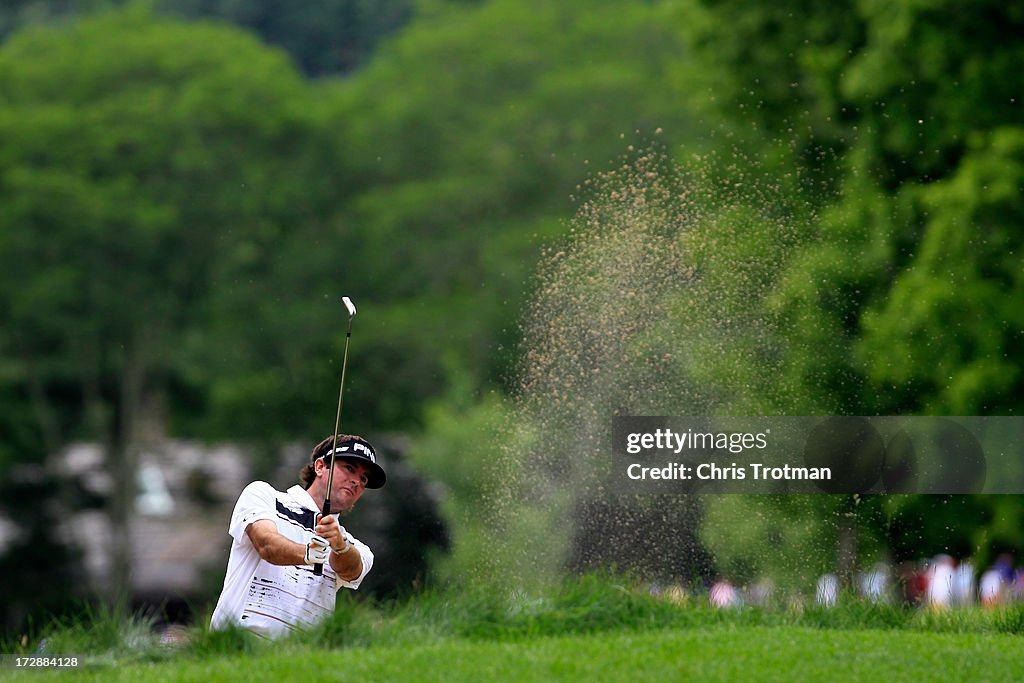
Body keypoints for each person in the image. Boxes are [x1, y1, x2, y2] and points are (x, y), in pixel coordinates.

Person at [210, 434, 386, 637]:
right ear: (320, 467)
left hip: (301, 658)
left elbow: (351, 570)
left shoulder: (355, 547)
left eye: (363, 479)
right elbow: (267, 545)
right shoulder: (265, 496)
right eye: (349, 468)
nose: (356, 481)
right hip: (238, 646)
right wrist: (308, 553)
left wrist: (341, 545)